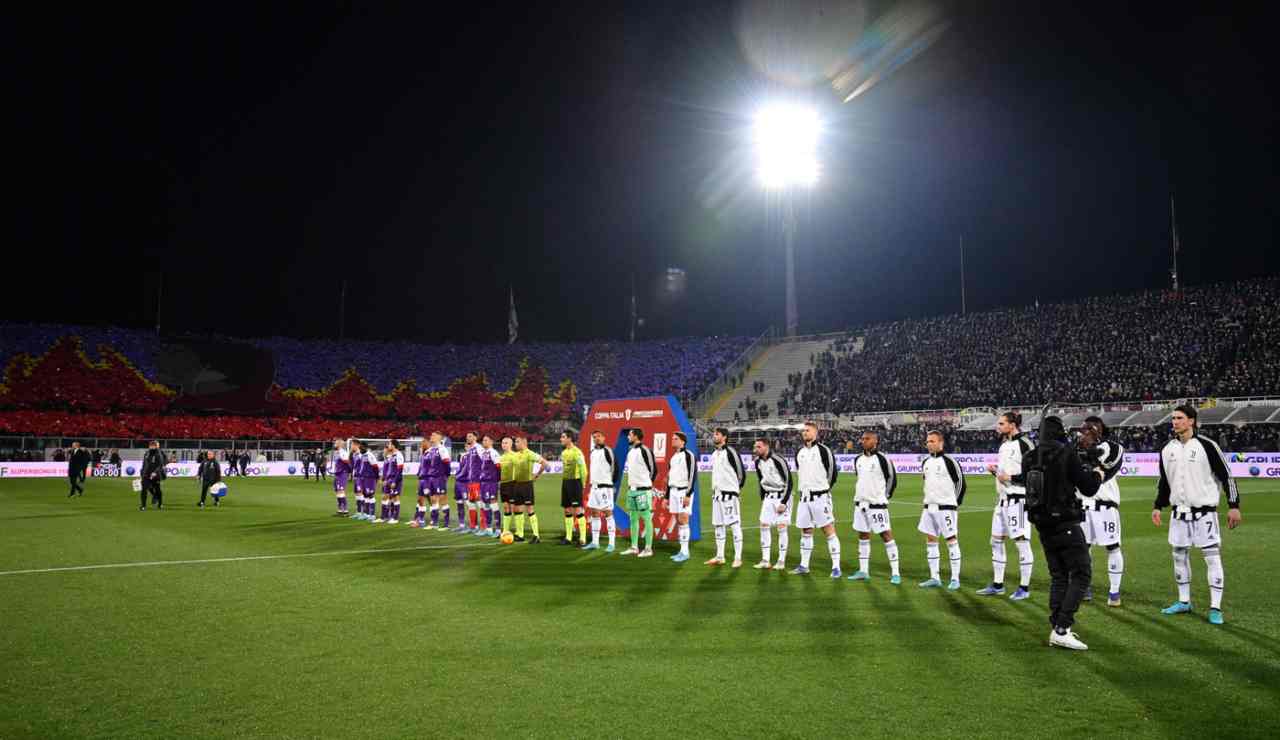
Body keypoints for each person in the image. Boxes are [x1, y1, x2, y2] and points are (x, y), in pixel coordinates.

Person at [1153, 405, 1242, 625]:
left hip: (1204, 514)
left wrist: (1233, 505)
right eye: (1173, 418)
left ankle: (1215, 607)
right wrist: (1158, 506)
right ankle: (1184, 602)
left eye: (1179, 418)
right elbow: (1165, 482)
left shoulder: (1207, 446)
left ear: (1191, 421)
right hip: (1178, 514)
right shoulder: (1166, 449)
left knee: (1211, 558)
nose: (1174, 422)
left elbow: (1227, 477)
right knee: (1178, 556)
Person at [1024, 415, 1104, 651]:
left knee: (1059, 576)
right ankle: (1062, 628)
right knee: (1081, 574)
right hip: (1065, 523)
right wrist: (1097, 472)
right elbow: (1088, 488)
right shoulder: (1065, 452)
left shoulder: (1030, 456)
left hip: (1042, 524)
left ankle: (1057, 626)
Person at [979, 412, 1036, 600]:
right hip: (1002, 501)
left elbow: (1035, 473)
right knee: (995, 541)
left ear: (1012, 425)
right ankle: (998, 584)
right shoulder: (1004, 446)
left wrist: (1010, 478)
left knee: (1021, 542)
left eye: (1001, 423)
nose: (998, 426)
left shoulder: (1025, 444)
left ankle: (1024, 588)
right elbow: (1004, 476)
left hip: (1018, 501)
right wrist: (995, 472)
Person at [1077, 417, 1125, 606]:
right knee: (1082, 549)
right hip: (1083, 506)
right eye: (1084, 429)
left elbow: (1110, 459)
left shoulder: (1111, 447)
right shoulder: (1076, 449)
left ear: (1099, 430)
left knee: (1112, 547)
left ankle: (1114, 593)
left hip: (1105, 507)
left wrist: (1090, 449)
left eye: (1090, 429)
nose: (1085, 432)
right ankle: (1084, 587)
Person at [849, 430, 901, 584]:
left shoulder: (883, 459)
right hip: (860, 504)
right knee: (863, 536)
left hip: (877, 505)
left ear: (875, 441)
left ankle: (896, 573)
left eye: (867, 439)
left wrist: (885, 497)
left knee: (886, 536)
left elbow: (892, 479)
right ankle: (863, 571)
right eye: (862, 438)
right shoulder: (857, 459)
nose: (863, 441)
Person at [792, 421, 842, 578]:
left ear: (815, 433)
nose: (804, 433)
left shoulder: (823, 450)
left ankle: (836, 567)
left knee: (828, 531)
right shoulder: (799, 452)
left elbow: (832, 473)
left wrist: (824, 490)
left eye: (808, 430)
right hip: (804, 499)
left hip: (820, 497)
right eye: (803, 431)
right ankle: (804, 565)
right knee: (806, 531)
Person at [918, 431, 965, 590]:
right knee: (931, 541)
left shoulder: (949, 461)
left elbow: (960, 484)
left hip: (946, 508)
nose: (928, 444)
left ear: (941, 443)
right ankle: (934, 577)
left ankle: (955, 578)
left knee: (951, 541)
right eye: (927, 441)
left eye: (932, 441)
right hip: (928, 508)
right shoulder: (925, 462)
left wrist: (954, 503)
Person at [705, 427, 745, 567]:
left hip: (729, 495)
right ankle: (720, 556)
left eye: (717, 434)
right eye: (714, 434)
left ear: (724, 437)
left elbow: (741, 473)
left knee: (734, 525)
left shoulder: (731, 451)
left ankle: (738, 557)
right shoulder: (714, 454)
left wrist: (735, 490)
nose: (714, 436)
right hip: (717, 495)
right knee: (718, 526)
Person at [752, 437, 793, 571]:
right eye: (755, 447)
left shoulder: (778, 460)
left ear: (766, 447)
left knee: (781, 528)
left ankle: (781, 561)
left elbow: (789, 481)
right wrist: (763, 498)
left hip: (781, 496)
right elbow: (760, 481)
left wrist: (784, 502)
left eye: (758, 447)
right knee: (764, 525)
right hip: (769, 497)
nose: (755, 449)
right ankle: (765, 560)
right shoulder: (757, 462)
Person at [622, 429, 657, 558]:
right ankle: (634, 547)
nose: (628, 437)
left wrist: (647, 485)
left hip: (643, 490)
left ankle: (648, 548)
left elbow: (654, 469)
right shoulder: (630, 452)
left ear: (636, 436)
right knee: (633, 519)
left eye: (630, 435)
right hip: (632, 490)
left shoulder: (645, 450)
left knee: (647, 518)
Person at [665, 432, 696, 562]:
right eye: (672, 438)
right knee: (679, 521)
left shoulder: (688, 455)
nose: (673, 440)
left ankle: (685, 552)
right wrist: (667, 496)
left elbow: (692, 475)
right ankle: (681, 550)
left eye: (676, 439)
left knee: (683, 520)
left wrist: (688, 494)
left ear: (683, 441)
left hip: (684, 491)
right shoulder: (673, 457)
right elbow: (669, 477)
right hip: (673, 491)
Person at [584, 431, 618, 552]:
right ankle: (595, 542)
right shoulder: (592, 452)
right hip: (594, 487)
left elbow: (615, 468)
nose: (596, 439)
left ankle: (611, 543)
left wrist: (610, 483)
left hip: (605, 487)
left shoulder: (608, 451)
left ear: (603, 437)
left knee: (608, 513)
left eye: (598, 436)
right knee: (594, 513)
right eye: (594, 437)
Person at [508, 436, 546, 543]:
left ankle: (536, 536)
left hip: (526, 485)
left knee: (530, 509)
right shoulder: (516, 455)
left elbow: (544, 463)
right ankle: (520, 535)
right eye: (515, 441)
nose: (515, 443)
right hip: (517, 485)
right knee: (517, 509)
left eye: (517, 441)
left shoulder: (530, 453)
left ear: (524, 442)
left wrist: (537, 475)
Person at [415, 432, 451, 529]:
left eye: (434, 435)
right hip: (431, 478)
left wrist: (445, 476)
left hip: (439, 478)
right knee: (433, 500)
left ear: (439, 437)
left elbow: (447, 464)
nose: (431, 437)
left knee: (443, 500)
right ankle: (434, 523)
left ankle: (447, 523)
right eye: (431, 435)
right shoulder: (430, 450)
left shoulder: (442, 449)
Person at [559, 432, 588, 546]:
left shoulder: (577, 452)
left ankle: (583, 539)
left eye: (563, 437)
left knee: (578, 510)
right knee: (567, 510)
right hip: (565, 482)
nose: (561, 439)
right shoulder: (564, 452)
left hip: (575, 483)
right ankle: (568, 537)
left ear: (569, 439)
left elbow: (583, 469)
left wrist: (583, 484)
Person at [476, 435, 503, 536]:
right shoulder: (484, 453)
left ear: (491, 442)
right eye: (483, 440)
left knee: (493, 505)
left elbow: (499, 467)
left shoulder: (493, 453)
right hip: (483, 483)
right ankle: (488, 528)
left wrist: (498, 481)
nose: (484, 442)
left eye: (486, 440)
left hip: (491, 483)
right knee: (485, 505)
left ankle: (498, 529)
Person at [453, 435, 478, 533]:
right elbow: (461, 467)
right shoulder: (462, 456)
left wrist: (459, 476)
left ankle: (474, 525)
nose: (468, 447)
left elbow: (467, 469)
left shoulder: (472, 457)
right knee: (459, 503)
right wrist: (457, 476)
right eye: (466, 446)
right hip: (458, 483)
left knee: (469, 503)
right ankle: (461, 525)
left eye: (469, 446)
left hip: (465, 483)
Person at [378, 441, 404, 524]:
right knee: (384, 497)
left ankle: (395, 518)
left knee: (395, 498)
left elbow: (399, 470)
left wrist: (395, 481)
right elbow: (386, 469)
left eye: (389, 444)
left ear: (393, 445)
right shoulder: (389, 456)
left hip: (395, 480)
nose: (388, 446)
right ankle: (383, 517)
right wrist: (384, 479)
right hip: (388, 480)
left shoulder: (398, 455)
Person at [498, 437, 519, 538]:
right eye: (502, 443)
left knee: (514, 507)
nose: (504, 445)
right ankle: (505, 531)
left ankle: (519, 532)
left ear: (511, 445)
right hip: (503, 484)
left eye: (506, 443)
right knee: (506, 507)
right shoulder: (501, 457)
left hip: (512, 484)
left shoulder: (514, 456)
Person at [140, 441, 167, 510]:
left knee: (157, 489)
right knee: (144, 489)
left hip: (156, 475)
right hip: (146, 474)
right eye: (150, 446)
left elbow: (160, 464)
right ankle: (143, 506)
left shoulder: (159, 454)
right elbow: (144, 464)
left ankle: (160, 504)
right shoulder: (146, 453)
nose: (151, 447)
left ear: (156, 446)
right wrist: (142, 473)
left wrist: (155, 472)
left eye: (153, 446)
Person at [331, 438, 352, 517]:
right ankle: (340, 509)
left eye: (336, 443)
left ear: (340, 444)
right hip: (338, 474)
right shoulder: (338, 452)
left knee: (341, 491)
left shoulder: (343, 452)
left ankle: (345, 510)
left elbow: (348, 462)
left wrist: (349, 473)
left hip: (342, 474)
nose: (334, 444)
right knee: (337, 492)